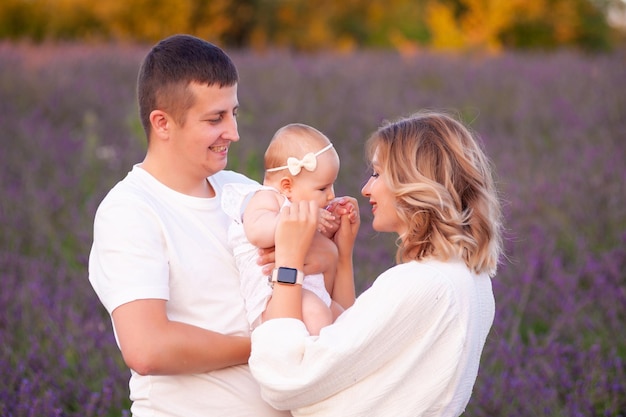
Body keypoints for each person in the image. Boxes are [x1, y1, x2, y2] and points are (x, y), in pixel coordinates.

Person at [88, 34, 335, 416]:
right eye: (215, 119)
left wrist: (330, 243)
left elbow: (313, 276)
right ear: (163, 123)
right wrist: (273, 344)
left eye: (233, 113)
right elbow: (148, 347)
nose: (233, 133)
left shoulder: (242, 191)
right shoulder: (130, 211)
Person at [249, 110, 504, 417]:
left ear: (413, 183)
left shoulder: (420, 283)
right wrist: (341, 256)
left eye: (378, 174)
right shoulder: (468, 280)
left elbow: (287, 379)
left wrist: (289, 263)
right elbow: (345, 340)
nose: (366, 188)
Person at [221, 123, 357, 335]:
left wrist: (333, 227)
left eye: (332, 186)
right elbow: (256, 231)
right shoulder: (265, 197)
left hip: (311, 290)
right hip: (274, 297)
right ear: (287, 187)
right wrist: (297, 220)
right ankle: (318, 360)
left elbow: (319, 251)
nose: (331, 195)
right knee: (319, 315)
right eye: (322, 188)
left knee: (350, 320)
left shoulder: (299, 204)